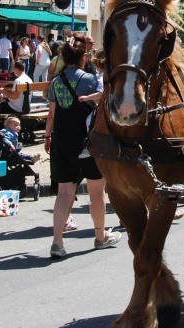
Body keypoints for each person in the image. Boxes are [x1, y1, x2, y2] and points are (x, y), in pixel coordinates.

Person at [46, 36, 121, 259]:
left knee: (64, 192)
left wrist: (47, 136)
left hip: (61, 140)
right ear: (84, 58)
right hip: (88, 142)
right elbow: (108, 98)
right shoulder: (90, 80)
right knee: (96, 192)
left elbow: (51, 114)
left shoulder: (56, 83)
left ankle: (57, 242)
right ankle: (100, 236)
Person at [0, 61, 32, 127]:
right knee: (0, 107)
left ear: (16, 69)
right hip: (25, 107)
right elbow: (17, 94)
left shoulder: (18, 80)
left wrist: (3, 91)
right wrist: (7, 92)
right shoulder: (29, 79)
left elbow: (14, 96)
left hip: (15, 108)